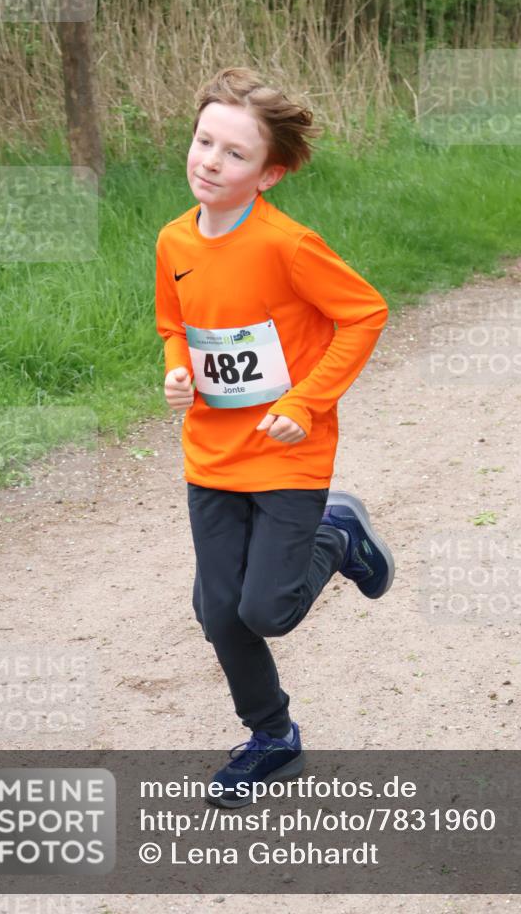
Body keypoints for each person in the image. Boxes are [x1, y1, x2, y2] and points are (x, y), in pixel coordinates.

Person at [155, 67, 394, 809]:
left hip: (289, 453)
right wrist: (176, 371)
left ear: (270, 174)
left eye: (233, 154)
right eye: (203, 141)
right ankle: (272, 738)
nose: (209, 161)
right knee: (217, 614)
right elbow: (175, 325)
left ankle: (338, 533)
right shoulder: (172, 240)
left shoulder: (287, 245)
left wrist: (307, 399)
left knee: (267, 612)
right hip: (212, 455)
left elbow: (364, 314)